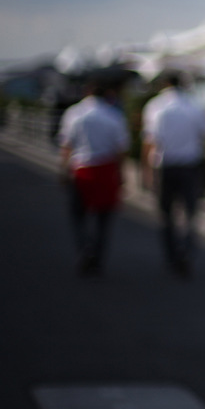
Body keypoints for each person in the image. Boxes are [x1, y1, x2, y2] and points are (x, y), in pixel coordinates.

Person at [57, 79, 130, 276]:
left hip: (81, 169)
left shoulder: (74, 114)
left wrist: (63, 170)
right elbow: (120, 150)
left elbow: (66, 146)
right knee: (103, 219)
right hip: (106, 169)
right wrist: (122, 176)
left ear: (87, 92)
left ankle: (84, 249)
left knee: (78, 216)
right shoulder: (113, 115)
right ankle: (97, 257)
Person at [142, 71, 205, 278]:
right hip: (190, 164)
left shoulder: (156, 107)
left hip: (165, 165)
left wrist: (145, 172)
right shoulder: (195, 106)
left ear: (164, 84)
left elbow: (150, 141)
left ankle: (172, 256)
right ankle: (187, 253)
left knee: (166, 215)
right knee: (190, 214)